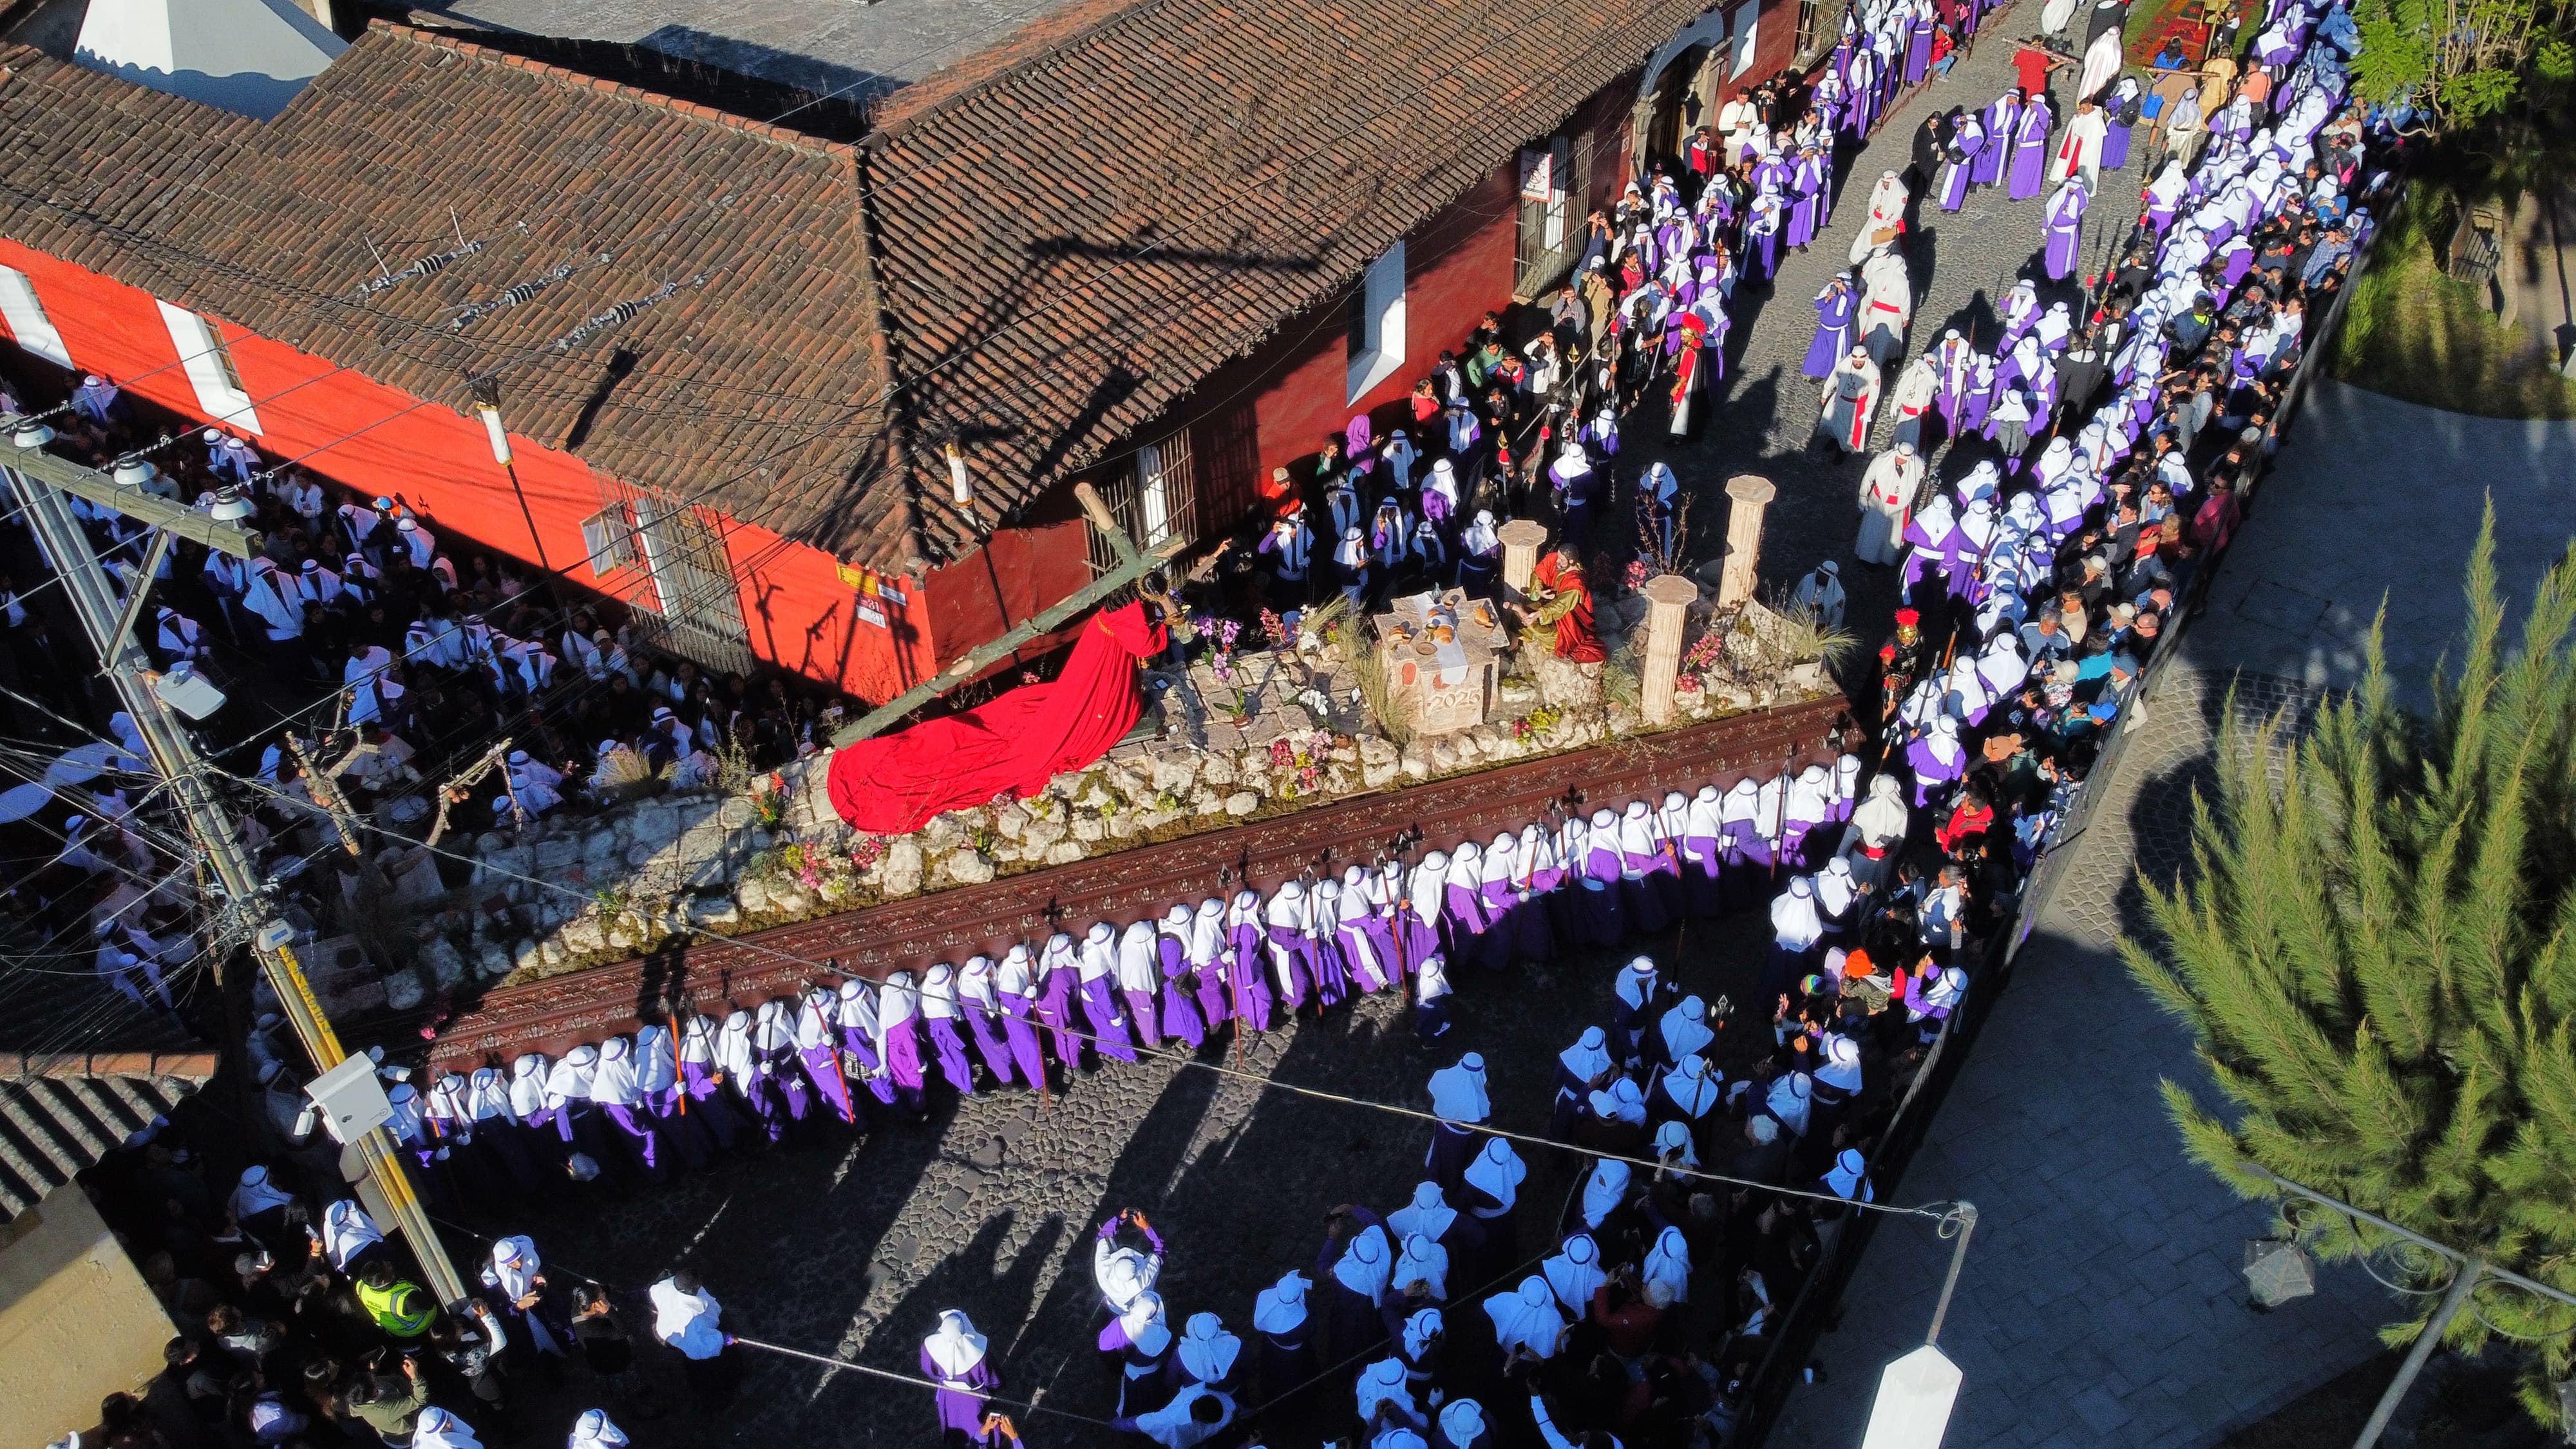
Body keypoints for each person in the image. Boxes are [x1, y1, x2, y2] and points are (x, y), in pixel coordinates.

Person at [649, 1269, 737, 1407]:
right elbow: (701, 1348)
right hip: (680, 1337)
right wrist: (721, 1339)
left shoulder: (664, 1286)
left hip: (671, 1324)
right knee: (707, 1369)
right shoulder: (690, 1321)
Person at [923, 1310, 999, 1447]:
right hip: (975, 1400)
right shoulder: (979, 1355)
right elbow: (992, 1380)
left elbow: (929, 1370)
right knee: (979, 1429)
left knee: (953, 1425)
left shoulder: (931, 1350)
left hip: (948, 1396)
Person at [1817, 346, 1883, 458]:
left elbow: (1874, 392)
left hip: (1855, 405)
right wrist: (1826, 392)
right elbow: (1834, 376)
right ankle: (1835, 440)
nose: (1857, 363)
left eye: (1860, 361)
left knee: (1848, 429)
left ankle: (1842, 450)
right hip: (1840, 398)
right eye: (1855, 361)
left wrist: (1869, 410)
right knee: (1835, 422)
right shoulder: (1845, 363)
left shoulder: (1873, 371)